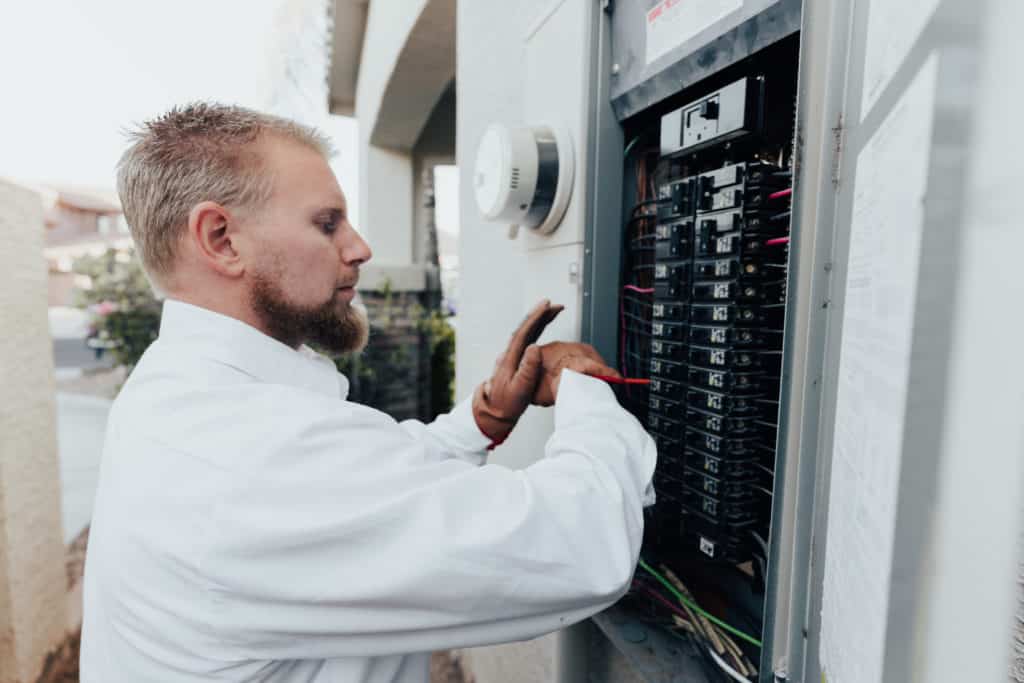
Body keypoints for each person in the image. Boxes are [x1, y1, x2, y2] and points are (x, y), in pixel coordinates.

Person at [80, 103, 656, 683]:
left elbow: (368, 484)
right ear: (222, 239)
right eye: (327, 223)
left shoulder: (175, 392)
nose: (359, 248)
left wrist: (482, 419)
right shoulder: (256, 453)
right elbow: (579, 545)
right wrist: (584, 386)